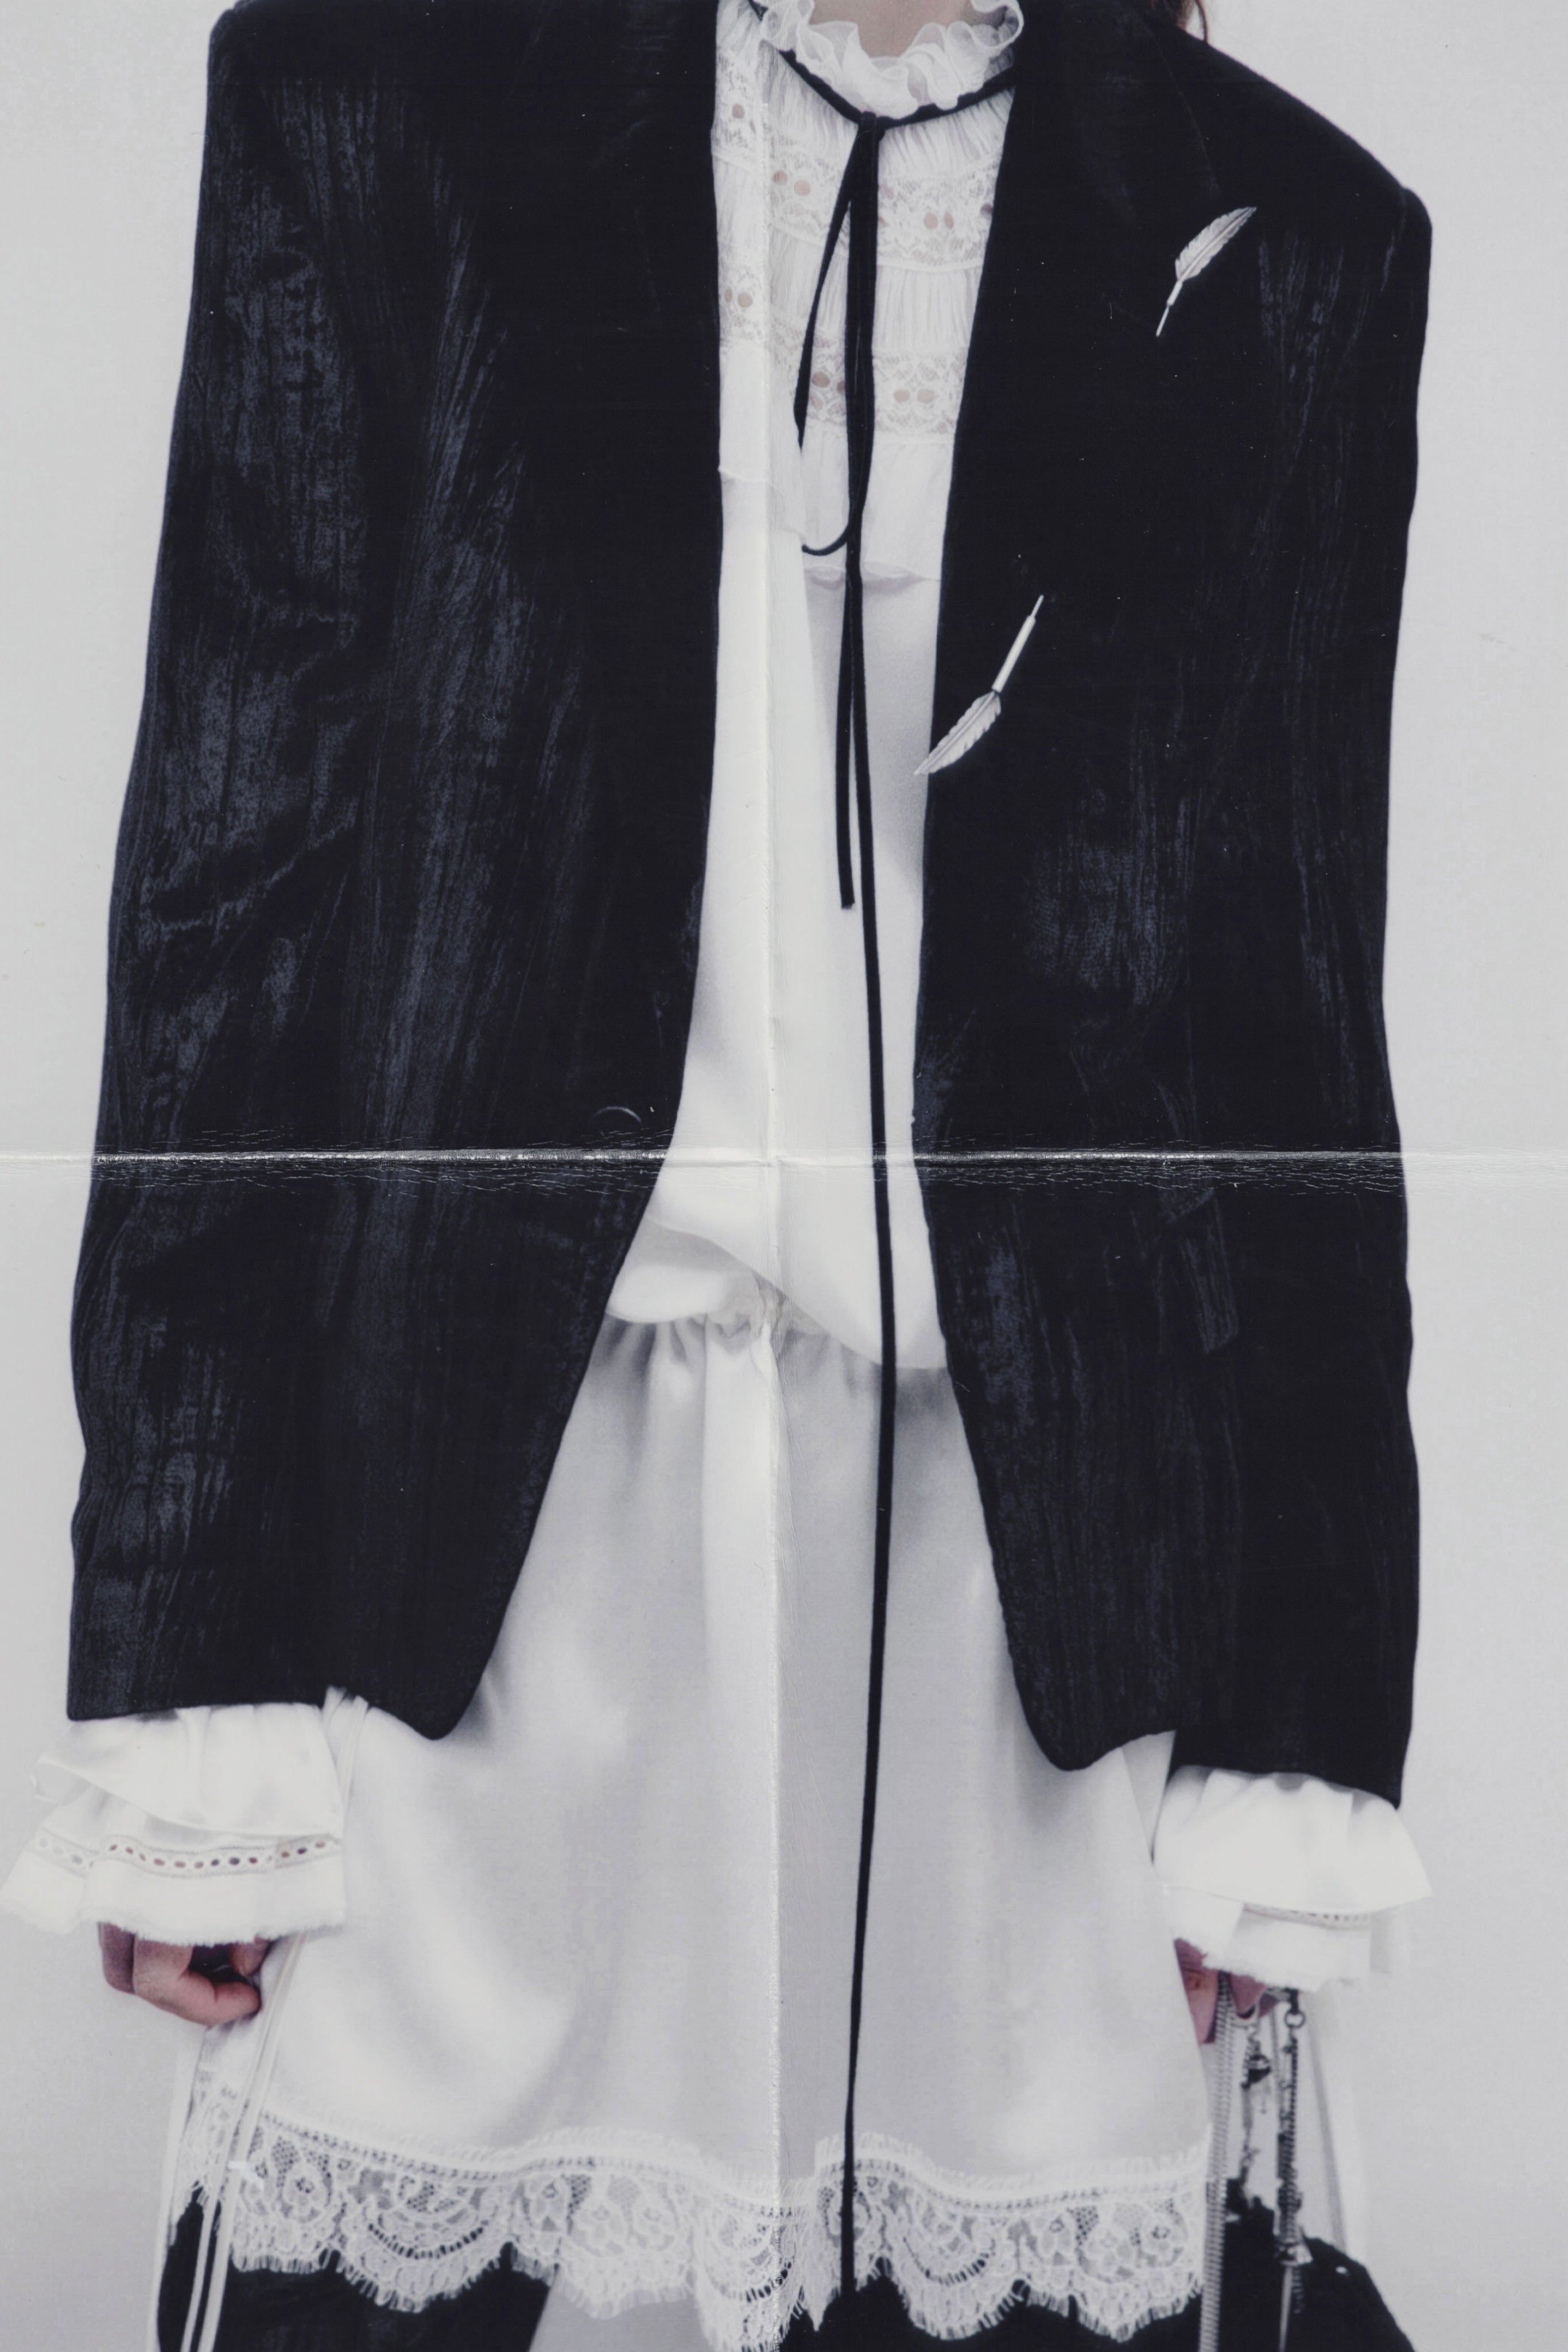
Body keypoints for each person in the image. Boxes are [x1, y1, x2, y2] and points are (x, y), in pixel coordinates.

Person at [2, 2, 1434, 2346]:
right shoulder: (378, 103)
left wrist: (1290, 1741)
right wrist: (190, 1694)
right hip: (483, 1570)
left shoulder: (1292, 230)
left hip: (1030, 1620)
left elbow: (1287, 1027)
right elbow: (228, 908)